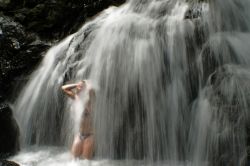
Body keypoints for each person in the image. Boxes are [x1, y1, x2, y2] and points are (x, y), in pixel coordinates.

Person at [61, 80, 95, 159]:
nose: (79, 87)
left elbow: (91, 91)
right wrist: (76, 84)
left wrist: (86, 84)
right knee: (73, 160)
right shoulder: (76, 98)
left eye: (81, 86)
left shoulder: (90, 100)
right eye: (78, 86)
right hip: (79, 135)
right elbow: (64, 88)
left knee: (86, 162)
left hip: (89, 136)